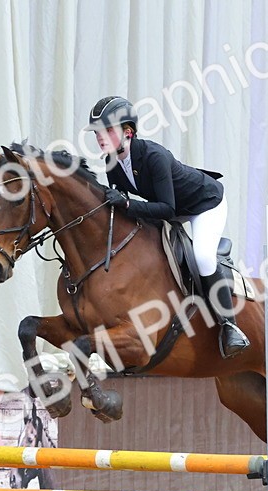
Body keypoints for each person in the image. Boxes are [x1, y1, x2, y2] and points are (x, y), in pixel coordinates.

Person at [85, 95, 250, 358]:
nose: (99, 137)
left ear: (128, 132)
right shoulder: (111, 163)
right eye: (97, 132)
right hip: (170, 208)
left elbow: (166, 209)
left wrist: (127, 205)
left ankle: (230, 326)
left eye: (106, 130)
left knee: (203, 257)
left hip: (204, 204)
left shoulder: (154, 156)